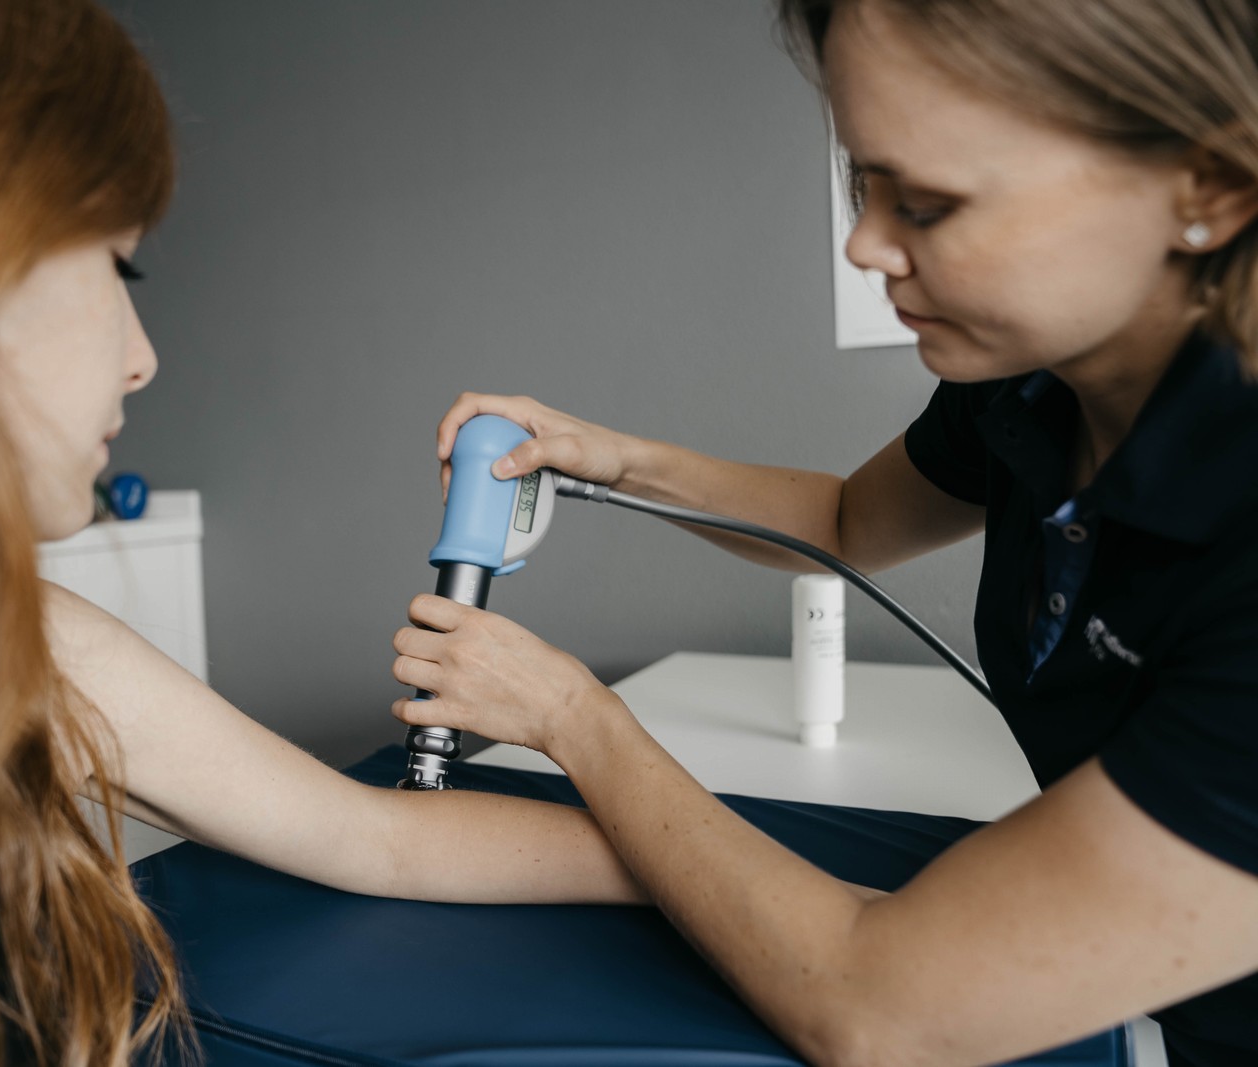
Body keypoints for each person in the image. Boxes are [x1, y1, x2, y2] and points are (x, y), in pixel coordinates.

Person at [0, 2, 650, 1065]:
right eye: (116, 268)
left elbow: (380, 839)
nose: (144, 358)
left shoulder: (1, 640)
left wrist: (711, 874)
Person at [393, 1, 1258, 1065]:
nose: (863, 245)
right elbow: (842, 521)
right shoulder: (1031, 387)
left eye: (927, 203)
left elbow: (879, 1014)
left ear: (1209, 187)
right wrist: (611, 457)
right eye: (864, 183)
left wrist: (574, 717)